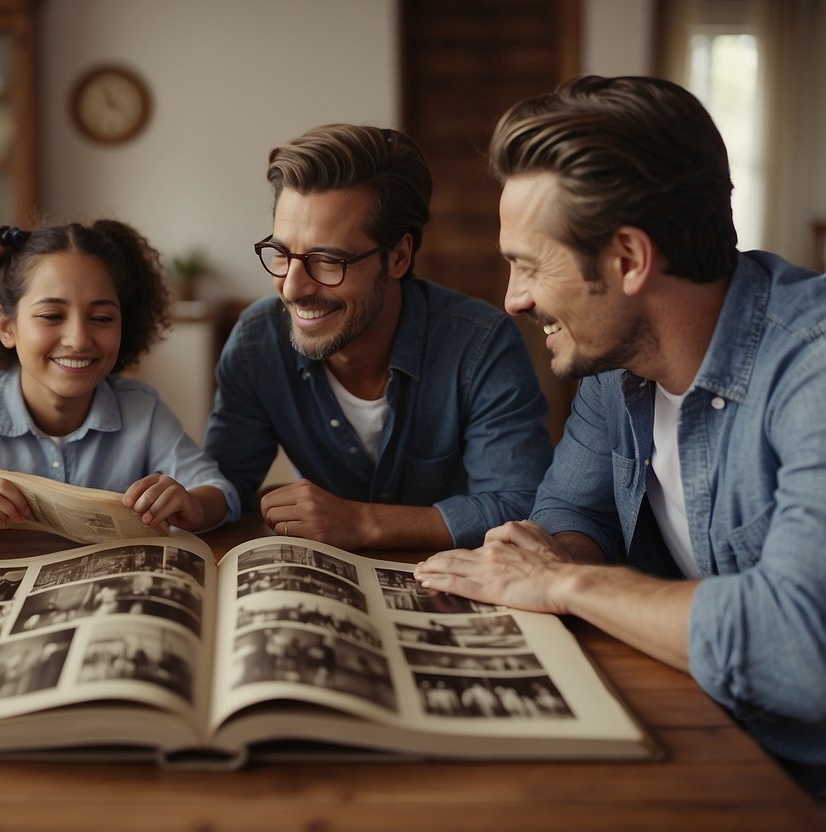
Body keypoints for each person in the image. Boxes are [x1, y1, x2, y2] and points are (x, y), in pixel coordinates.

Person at [415, 75, 826, 796]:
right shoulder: (616, 367)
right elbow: (572, 514)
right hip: (699, 725)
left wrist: (565, 580)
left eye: (528, 263)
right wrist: (547, 560)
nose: (512, 298)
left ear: (629, 259)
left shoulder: (812, 368)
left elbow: (795, 647)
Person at [204, 123, 552, 551]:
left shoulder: (480, 345)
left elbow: (519, 505)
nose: (292, 288)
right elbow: (224, 484)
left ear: (399, 257)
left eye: (328, 261)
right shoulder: (258, 343)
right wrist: (184, 497)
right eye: (282, 254)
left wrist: (362, 522)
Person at [0, 220, 239, 548]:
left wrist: (192, 504)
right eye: (52, 315)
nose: (78, 338)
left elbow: (220, 492)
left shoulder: (142, 409)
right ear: (6, 326)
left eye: (102, 318)